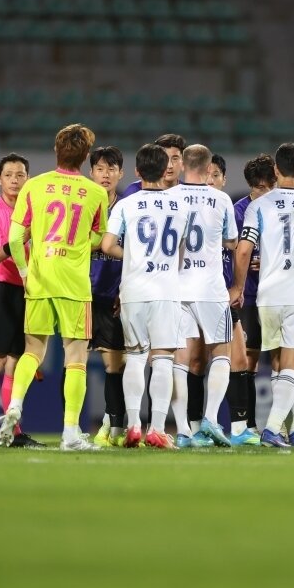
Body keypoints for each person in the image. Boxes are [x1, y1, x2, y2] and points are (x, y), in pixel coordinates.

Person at [0, 124, 110, 452]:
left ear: (56, 152)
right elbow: (96, 238)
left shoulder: (34, 186)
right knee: (75, 358)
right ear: (86, 156)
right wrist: (74, 247)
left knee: (33, 351)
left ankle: (16, 403)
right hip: (75, 283)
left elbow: (17, 238)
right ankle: (71, 432)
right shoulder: (96, 193)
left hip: (39, 278)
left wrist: (24, 269)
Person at [230, 143, 294, 448]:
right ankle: (272, 429)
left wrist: (237, 285)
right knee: (291, 363)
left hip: (268, 294)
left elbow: (244, 250)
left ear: (276, 170)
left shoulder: (258, 206)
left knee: (276, 360)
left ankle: (291, 425)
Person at [100, 143, 189, 449]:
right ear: (166, 167)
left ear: (137, 171)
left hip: (134, 291)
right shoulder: (181, 205)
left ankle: (134, 425)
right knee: (163, 360)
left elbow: (107, 245)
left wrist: (133, 256)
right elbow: (180, 250)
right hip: (166, 290)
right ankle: (158, 429)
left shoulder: (126, 204)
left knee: (135, 359)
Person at [169, 145, 238, 448]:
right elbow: (232, 240)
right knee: (222, 352)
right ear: (210, 167)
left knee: (179, 359)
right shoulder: (221, 198)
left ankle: (183, 429)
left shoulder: (169, 197)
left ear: (183, 164)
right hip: (210, 288)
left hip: (177, 287)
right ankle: (210, 418)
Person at [0, 153, 44, 448]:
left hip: (28, 289)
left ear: (27, 178)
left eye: (20, 175)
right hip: (0, 288)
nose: (15, 180)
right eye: (9, 175)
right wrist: (22, 237)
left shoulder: (36, 209)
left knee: (16, 364)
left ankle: (12, 431)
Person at [206, 154, 260, 446]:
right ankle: (192, 427)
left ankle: (239, 429)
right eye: (206, 175)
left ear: (224, 179)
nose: (211, 180)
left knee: (238, 359)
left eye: (216, 175)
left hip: (224, 296)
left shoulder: (230, 209)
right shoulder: (193, 208)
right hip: (197, 294)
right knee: (194, 362)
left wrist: (237, 288)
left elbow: (238, 250)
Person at [229, 154, 276, 443]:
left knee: (279, 361)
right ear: (251, 186)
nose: (264, 193)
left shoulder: (279, 210)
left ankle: (280, 424)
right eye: (259, 187)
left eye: (269, 186)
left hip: (275, 293)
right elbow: (232, 249)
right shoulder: (239, 210)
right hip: (247, 295)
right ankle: (247, 423)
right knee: (246, 359)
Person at [86, 146, 129, 448]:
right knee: (73, 363)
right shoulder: (84, 204)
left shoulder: (129, 207)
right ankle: (71, 428)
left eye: (111, 168)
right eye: (100, 168)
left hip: (115, 295)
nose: (106, 174)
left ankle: (115, 428)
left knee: (116, 364)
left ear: (120, 173)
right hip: (83, 293)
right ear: (91, 173)